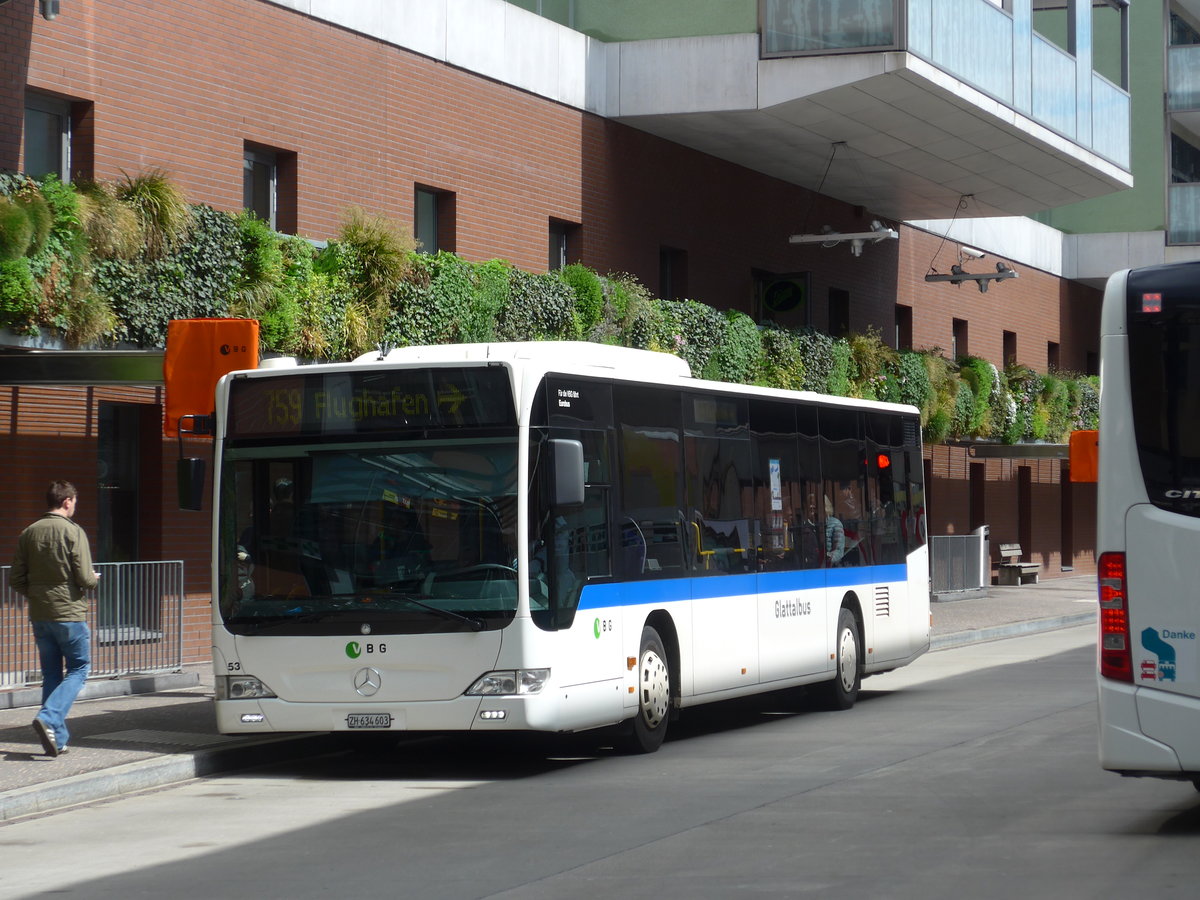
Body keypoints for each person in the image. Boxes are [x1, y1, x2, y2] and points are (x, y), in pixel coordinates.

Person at [9, 480, 100, 757]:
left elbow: (16, 579)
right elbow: (84, 577)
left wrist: (37, 595)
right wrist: (93, 581)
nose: (74, 505)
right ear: (67, 501)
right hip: (69, 613)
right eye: (74, 501)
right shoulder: (73, 532)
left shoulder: (29, 532)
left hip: (40, 615)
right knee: (79, 669)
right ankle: (48, 717)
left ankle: (57, 740)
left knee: (51, 673)